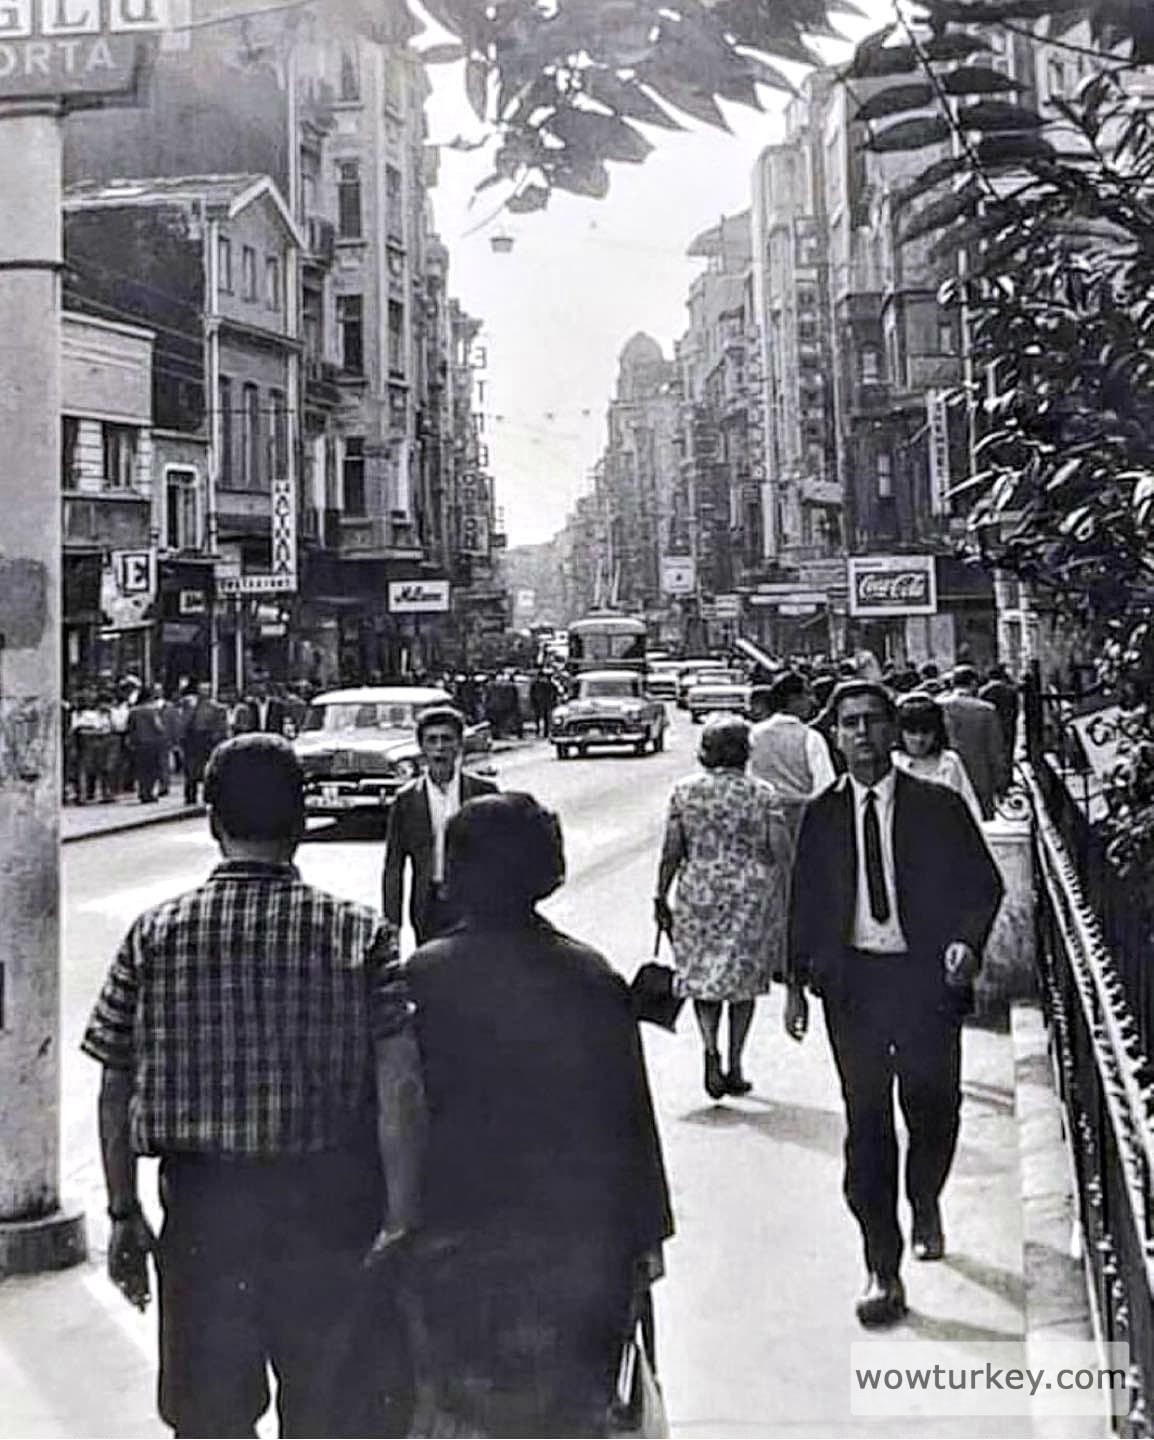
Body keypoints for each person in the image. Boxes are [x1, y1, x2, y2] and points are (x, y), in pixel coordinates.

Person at [80, 735, 414, 1437]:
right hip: (330, 1208)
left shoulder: (155, 935)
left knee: (209, 1416)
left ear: (212, 821)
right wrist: (403, 1220)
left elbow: (115, 1087)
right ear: (301, 822)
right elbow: (400, 1088)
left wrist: (122, 1213)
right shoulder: (360, 935)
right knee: (335, 1411)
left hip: (205, 1215)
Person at [376, 792, 673, 1438]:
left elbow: (396, 1110)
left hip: (457, 1238)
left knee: (464, 1411)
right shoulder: (591, 977)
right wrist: (644, 1240)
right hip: (575, 1246)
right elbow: (629, 1119)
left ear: (455, 877)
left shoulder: (421, 978)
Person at [784, 682, 1004, 1327]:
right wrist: (796, 985)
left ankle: (925, 1197)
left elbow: (983, 885)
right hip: (853, 988)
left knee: (933, 1108)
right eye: (849, 724)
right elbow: (804, 904)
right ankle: (882, 1263)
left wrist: (966, 942)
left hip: (923, 981)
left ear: (892, 731)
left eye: (874, 722)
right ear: (836, 735)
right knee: (867, 1119)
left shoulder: (936, 807)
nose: (862, 735)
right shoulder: (822, 816)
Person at [655, 715, 791, 1100]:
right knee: (744, 982)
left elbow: (671, 851)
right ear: (746, 752)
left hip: (698, 893)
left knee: (704, 978)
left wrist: (659, 895)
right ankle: (735, 1063)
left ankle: (709, 1047)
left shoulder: (685, 792)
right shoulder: (762, 794)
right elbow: (781, 851)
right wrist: (788, 894)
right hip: (750, 894)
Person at [382, 706, 498, 944]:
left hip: (475, 905)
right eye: (432, 740)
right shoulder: (406, 800)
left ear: (459, 745)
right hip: (429, 906)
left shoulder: (483, 792)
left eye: (447, 739)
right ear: (422, 748)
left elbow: (499, 858)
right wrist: (392, 926)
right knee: (431, 972)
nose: (440, 748)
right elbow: (394, 867)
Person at [749, 670, 838, 849]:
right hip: (801, 828)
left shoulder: (752, 735)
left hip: (759, 825)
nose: (812, 701)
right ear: (793, 699)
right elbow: (826, 789)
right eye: (807, 694)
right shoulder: (810, 738)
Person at [892, 693, 984, 827]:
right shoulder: (894, 763)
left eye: (926, 732)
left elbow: (969, 804)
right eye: (912, 732)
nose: (919, 740)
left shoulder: (949, 762)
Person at [940, 664, 1008, 820]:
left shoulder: (938, 706)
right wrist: (1001, 781)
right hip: (979, 779)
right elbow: (995, 750)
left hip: (945, 777)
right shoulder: (986, 710)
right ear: (973, 683)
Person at [180, 681, 229, 806]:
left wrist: (216, 739)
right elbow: (184, 722)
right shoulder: (190, 706)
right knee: (190, 769)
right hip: (192, 740)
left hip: (207, 740)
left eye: (206, 690)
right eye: (201, 690)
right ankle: (190, 796)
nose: (203, 693)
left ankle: (209, 795)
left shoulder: (217, 708)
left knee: (208, 770)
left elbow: (221, 727)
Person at [126, 685, 168, 804]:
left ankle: (142, 791)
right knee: (152, 769)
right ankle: (148, 793)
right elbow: (158, 726)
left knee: (141, 769)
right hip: (152, 742)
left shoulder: (133, 711)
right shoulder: (152, 711)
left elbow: (130, 727)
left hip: (138, 743)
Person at [979, 664, 1020, 761]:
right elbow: (1016, 709)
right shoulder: (1011, 691)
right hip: (1007, 724)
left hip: (988, 726)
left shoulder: (983, 691)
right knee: (1007, 753)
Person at [529, 669, 558, 737]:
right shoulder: (549, 684)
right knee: (544, 718)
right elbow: (555, 693)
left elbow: (532, 694)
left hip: (540, 703)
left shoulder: (536, 684)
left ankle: (540, 731)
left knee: (539, 717)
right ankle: (544, 732)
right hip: (544, 703)